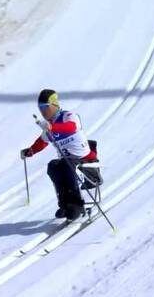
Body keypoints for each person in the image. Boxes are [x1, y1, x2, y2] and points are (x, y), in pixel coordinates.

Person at [21, 89, 97, 221]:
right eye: (40, 108)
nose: (43, 112)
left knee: (67, 165)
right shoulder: (49, 126)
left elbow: (71, 127)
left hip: (86, 163)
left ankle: (77, 205)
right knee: (53, 166)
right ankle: (65, 204)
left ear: (54, 105)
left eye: (45, 107)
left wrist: (52, 128)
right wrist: (30, 151)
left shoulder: (69, 116)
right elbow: (42, 142)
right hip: (69, 163)